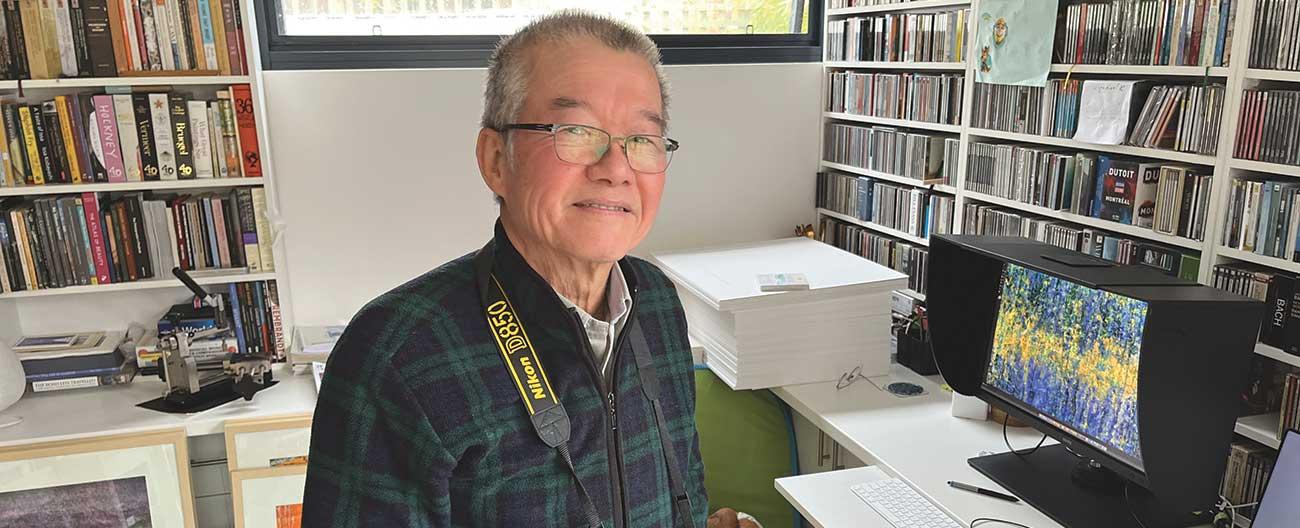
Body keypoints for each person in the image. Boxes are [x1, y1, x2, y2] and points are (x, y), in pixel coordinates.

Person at [302, 10, 757, 528]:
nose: (615, 168)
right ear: (497, 159)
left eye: (642, 139)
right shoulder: (396, 355)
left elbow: (684, 495)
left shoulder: (657, 302)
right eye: (577, 131)